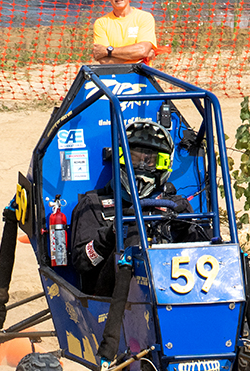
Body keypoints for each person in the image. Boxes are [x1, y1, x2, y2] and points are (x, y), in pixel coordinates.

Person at [70, 119, 193, 295]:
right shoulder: (94, 204)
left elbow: (202, 256)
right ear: (120, 158)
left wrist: (186, 225)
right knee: (133, 230)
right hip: (111, 300)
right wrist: (111, 234)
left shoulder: (173, 206)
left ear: (164, 164)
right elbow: (82, 263)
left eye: (150, 160)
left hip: (167, 294)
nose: (141, 166)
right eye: (134, 158)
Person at [91, 0, 157, 65]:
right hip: (114, 73)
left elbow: (142, 50)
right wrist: (138, 56)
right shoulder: (101, 23)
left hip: (141, 73)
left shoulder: (145, 17)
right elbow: (104, 61)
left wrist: (108, 51)